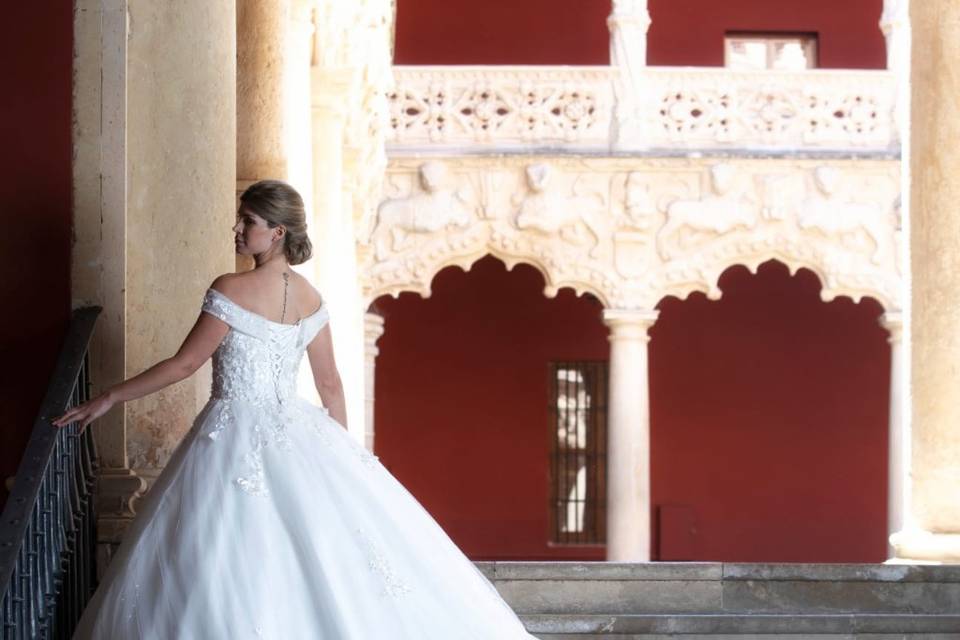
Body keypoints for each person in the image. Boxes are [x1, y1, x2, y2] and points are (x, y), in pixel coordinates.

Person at [54, 180, 536, 639]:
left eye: (248, 220)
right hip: (300, 431)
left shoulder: (231, 288)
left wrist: (111, 396)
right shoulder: (311, 298)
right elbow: (330, 386)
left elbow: (185, 365)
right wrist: (345, 460)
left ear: (278, 231)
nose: (238, 230)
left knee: (221, 554)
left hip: (233, 430)